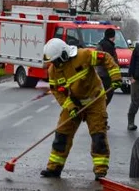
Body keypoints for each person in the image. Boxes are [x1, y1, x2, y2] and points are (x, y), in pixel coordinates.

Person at [40, 37, 122, 180]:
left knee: (98, 136)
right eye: (52, 62)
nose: (55, 64)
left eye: (57, 60)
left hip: (94, 100)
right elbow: (57, 92)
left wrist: (115, 77)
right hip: (74, 103)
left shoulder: (83, 55)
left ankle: (100, 171)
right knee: (62, 134)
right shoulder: (53, 71)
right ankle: (54, 168)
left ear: (65, 55)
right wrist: (70, 107)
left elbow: (105, 57)